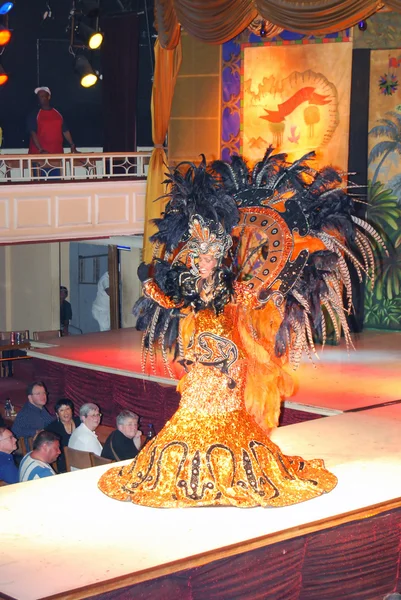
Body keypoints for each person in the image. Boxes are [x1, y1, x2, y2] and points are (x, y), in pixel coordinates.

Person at [98, 152, 384, 508]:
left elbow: (257, 297)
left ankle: (233, 469)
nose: (204, 263)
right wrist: (153, 287)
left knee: (227, 418)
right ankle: (194, 470)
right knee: (194, 412)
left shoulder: (233, 286)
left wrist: (284, 279)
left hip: (228, 358)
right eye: (200, 257)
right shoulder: (188, 284)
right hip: (202, 358)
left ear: (218, 258)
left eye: (210, 258)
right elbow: (175, 302)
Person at [27, 87, 76, 156]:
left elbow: (65, 130)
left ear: (49, 97)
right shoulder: (34, 114)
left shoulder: (58, 112)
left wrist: (72, 145)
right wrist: (40, 150)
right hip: (38, 155)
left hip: (57, 153)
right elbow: (33, 133)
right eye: (39, 96)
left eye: (43, 96)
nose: (41, 98)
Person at [45, 398, 81, 472]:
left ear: (72, 410)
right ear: (57, 414)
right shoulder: (52, 428)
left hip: (81, 456)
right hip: (63, 462)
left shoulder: (79, 422)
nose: (66, 412)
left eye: (68, 408)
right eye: (61, 410)